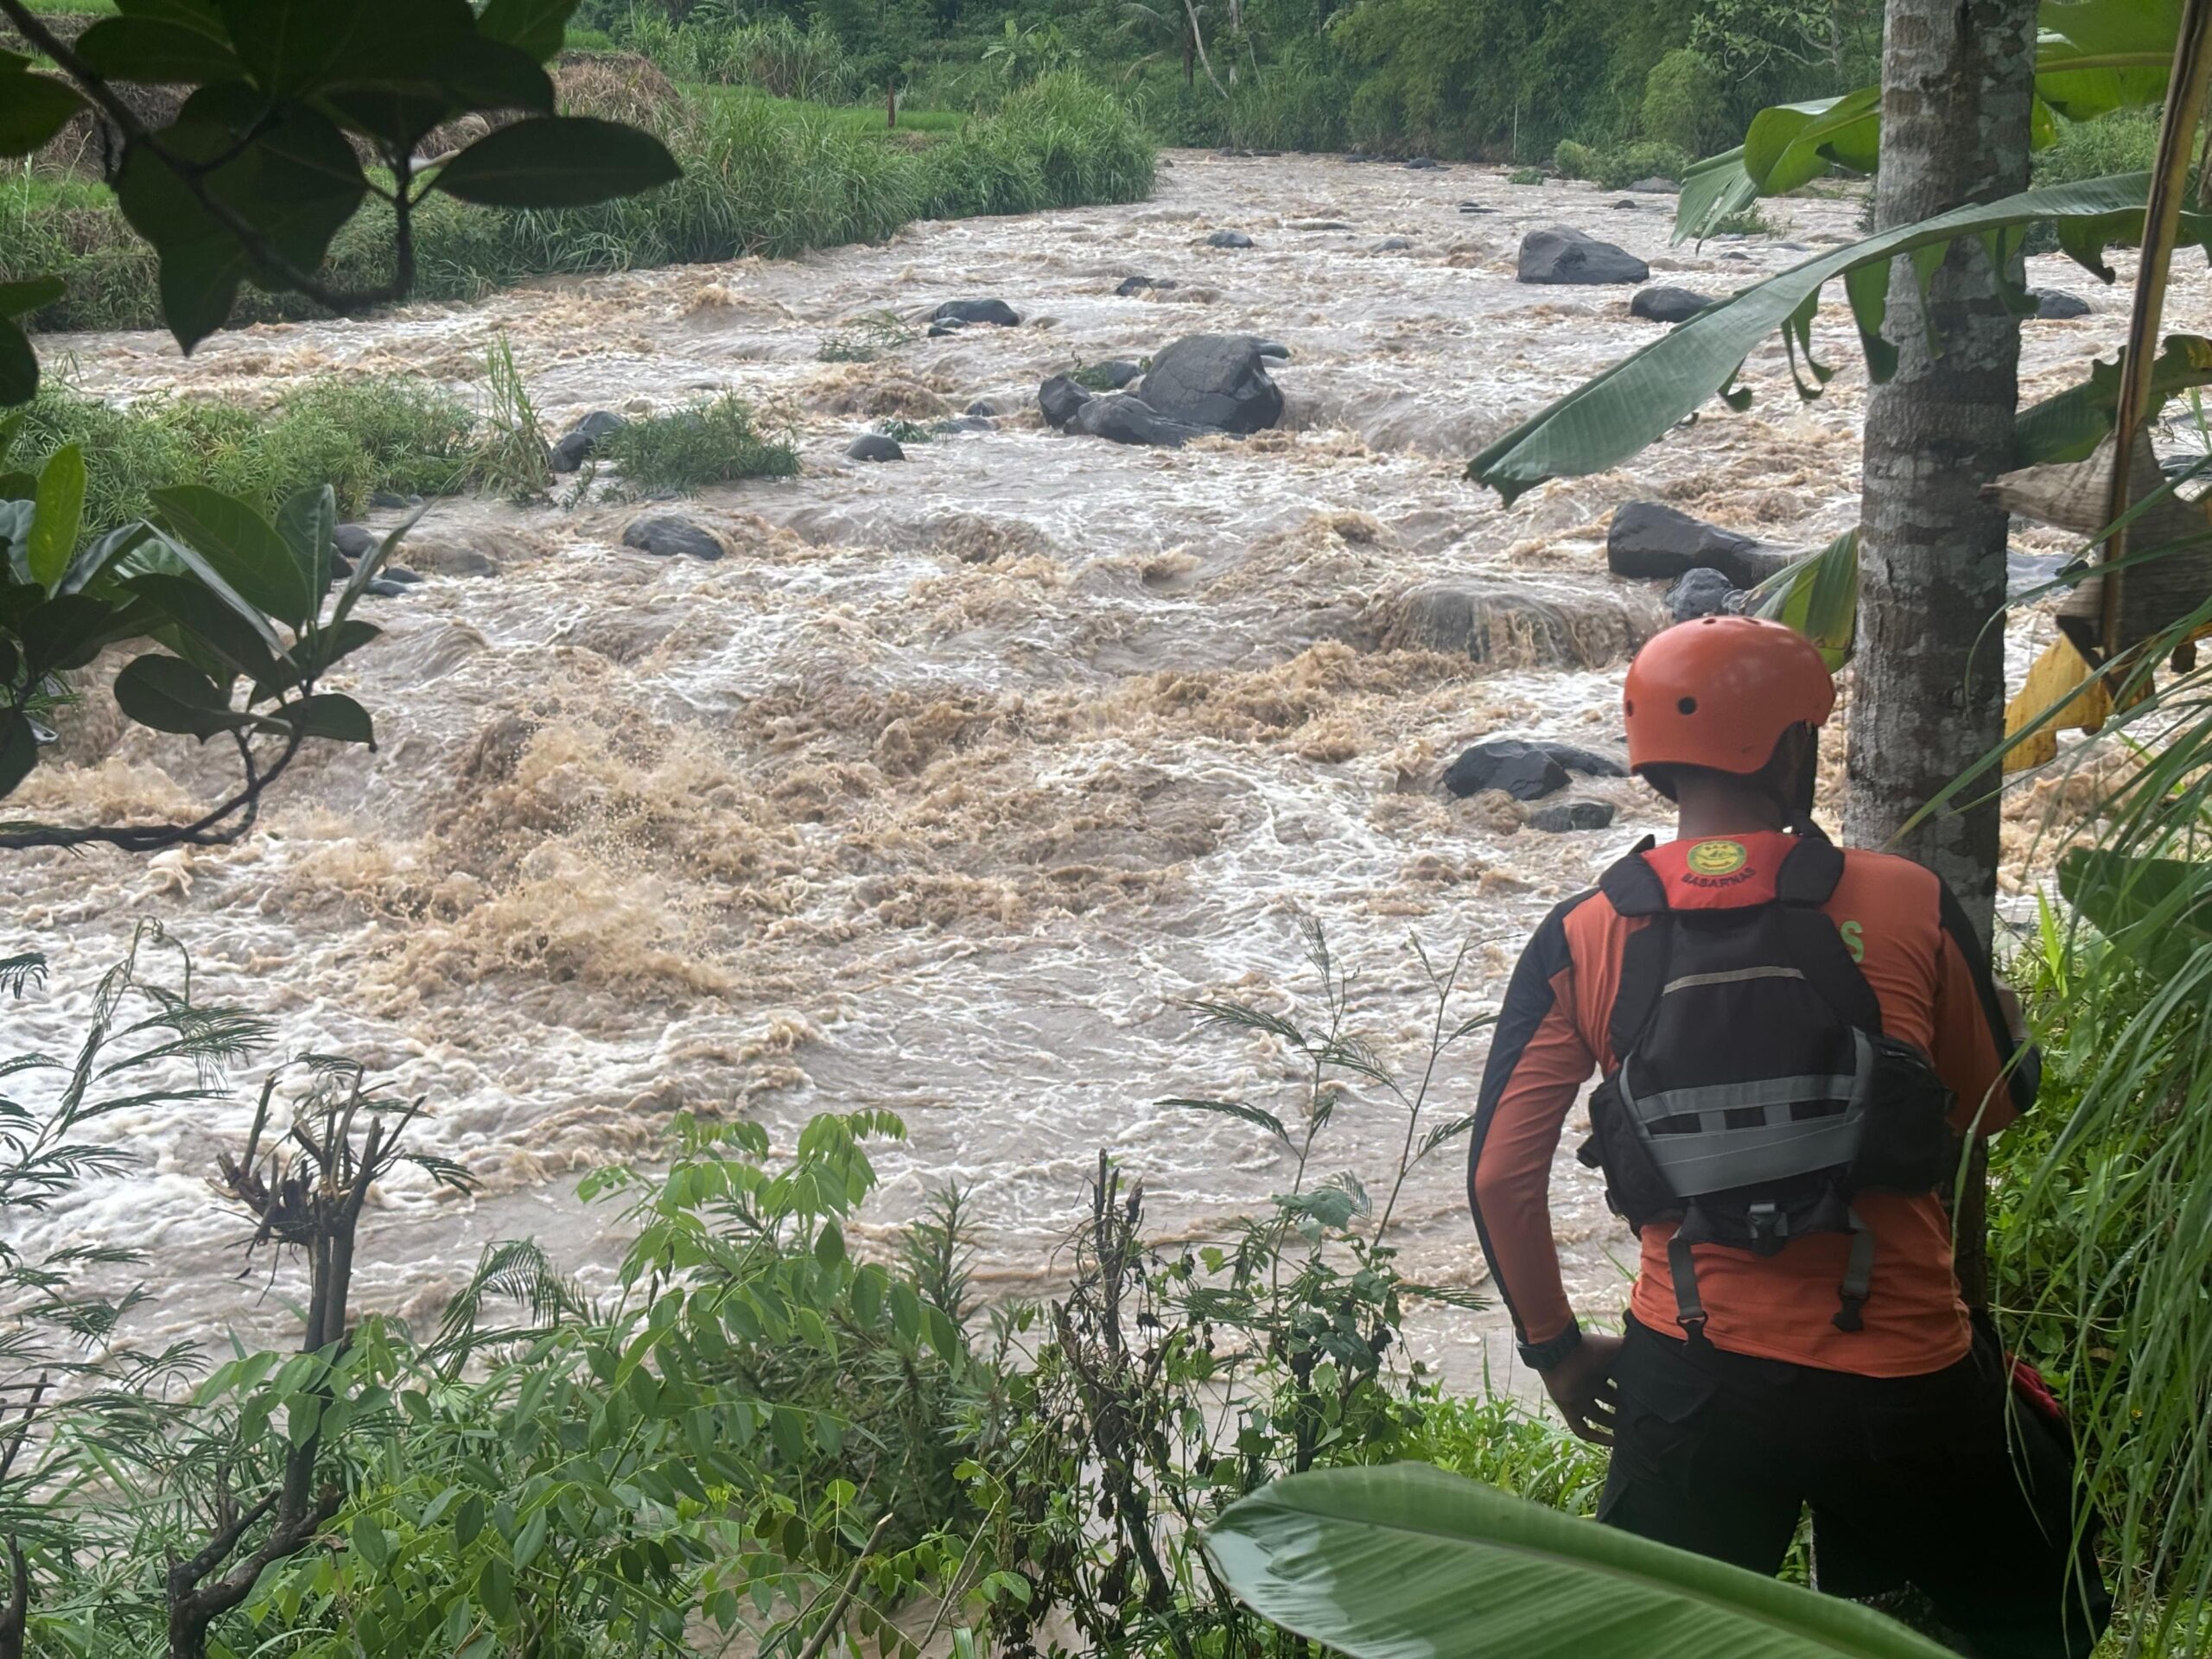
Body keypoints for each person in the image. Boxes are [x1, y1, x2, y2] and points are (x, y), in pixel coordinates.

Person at [1467, 614, 2109, 1657]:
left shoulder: (1584, 931)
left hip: (1688, 1379)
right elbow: (1991, 1105)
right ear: (1789, 748)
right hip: (1904, 1377)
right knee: (2044, 1622)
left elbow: (1501, 1176)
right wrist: (2010, 1019)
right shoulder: (1903, 899)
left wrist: (1552, 1350)